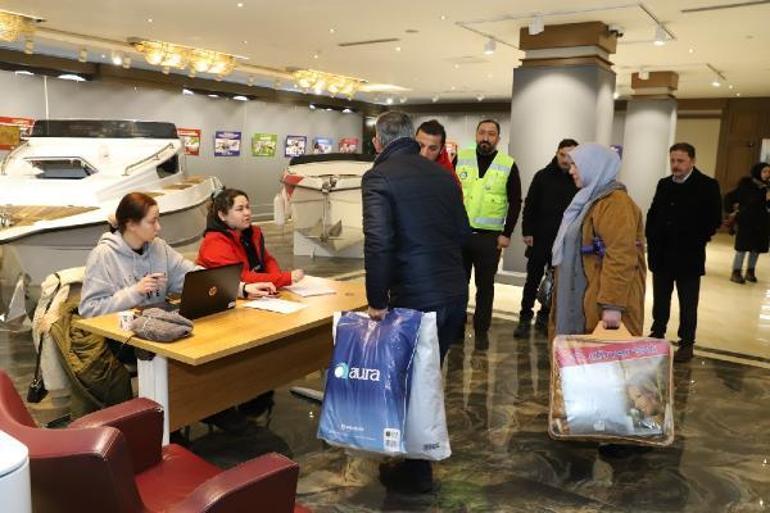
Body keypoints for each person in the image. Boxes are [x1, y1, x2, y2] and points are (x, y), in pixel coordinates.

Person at [80, 192, 274, 433]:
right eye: (152, 221)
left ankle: (208, 408)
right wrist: (135, 292)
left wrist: (241, 288)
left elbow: (192, 275)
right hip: (124, 337)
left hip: (162, 325)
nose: (159, 228)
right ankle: (172, 426)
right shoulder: (103, 256)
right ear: (130, 224)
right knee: (183, 352)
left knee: (212, 340)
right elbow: (89, 310)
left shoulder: (158, 247)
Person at [363, 110, 470, 494]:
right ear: (411, 137)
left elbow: (379, 242)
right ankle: (414, 458)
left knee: (411, 382)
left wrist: (376, 299)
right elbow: (461, 232)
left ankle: (416, 469)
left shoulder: (378, 176)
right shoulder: (443, 174)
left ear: (379, 141)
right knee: (427, 379)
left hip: (415, 297)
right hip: (453, 293)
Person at [550, 143, 646, 339]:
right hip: (579, 297)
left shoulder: (616, 203)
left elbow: (621, 256)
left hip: (600, 306)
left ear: (594, 166)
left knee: (598, 363)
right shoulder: (586, 199)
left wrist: (612, 305)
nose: (571, 171)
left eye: (576, 166)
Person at [646, 143, 722, 363]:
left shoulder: (707, 185)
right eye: (672, 160)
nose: (675, 165)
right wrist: (652, 236)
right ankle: (658, 333)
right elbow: (653, 213)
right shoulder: (664, 184)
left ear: (692, 161)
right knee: (660, 299)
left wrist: (697, 239)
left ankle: (687, 342)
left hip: (689, 255)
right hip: (662, 254)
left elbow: (713, 219)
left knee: (688, 302)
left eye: (680, 161)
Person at [456, 119, 522, 338]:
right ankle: (456, 325)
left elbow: (515, 201)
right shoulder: (461, 158)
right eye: (482, 132)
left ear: (498, 139)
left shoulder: (508, 164)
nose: (486, 137)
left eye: (491, 134)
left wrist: (507, 233)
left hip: (490, 238)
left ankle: (481, 329)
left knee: (485, 287)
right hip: (460, 234)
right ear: (476, 135)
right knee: (458, 284)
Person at [514, 138, 579, 339]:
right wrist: (527, 231)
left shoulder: (578, 179)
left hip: (565, 241)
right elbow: (530, 205)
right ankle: (525, 317)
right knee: (532, 279)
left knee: (556, 282)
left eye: (570, 156)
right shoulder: (542, 176)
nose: (566, 160)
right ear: (556, 153)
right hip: (540, 238)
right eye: (562, 155)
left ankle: (544, 316)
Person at [197, 188, 304, 289]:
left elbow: (266, 260)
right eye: (240, 209)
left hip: (255, 290)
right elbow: (240, 277)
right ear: (222, 215)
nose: (247, 213)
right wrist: (284, 278)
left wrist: (276, 280)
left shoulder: (251, 233)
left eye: (247, 207)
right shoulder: (214, 243)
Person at [724, 162, 770, 283]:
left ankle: (750, 271)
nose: (767, 174)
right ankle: (736, 272)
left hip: (763, 222)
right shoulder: (746, 185)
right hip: (747, 221)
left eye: (769, 172)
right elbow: (732, 198)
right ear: (758, 172)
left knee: (757, 248)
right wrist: (730, 211)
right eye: (765, 171)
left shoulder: (768, 187)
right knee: (742, 248)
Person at [415, 119, 462, 191]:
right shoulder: (401, 161)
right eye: (420, 145)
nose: (424, 154)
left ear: (441, 150)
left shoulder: (448, 179)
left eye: (432, 149)